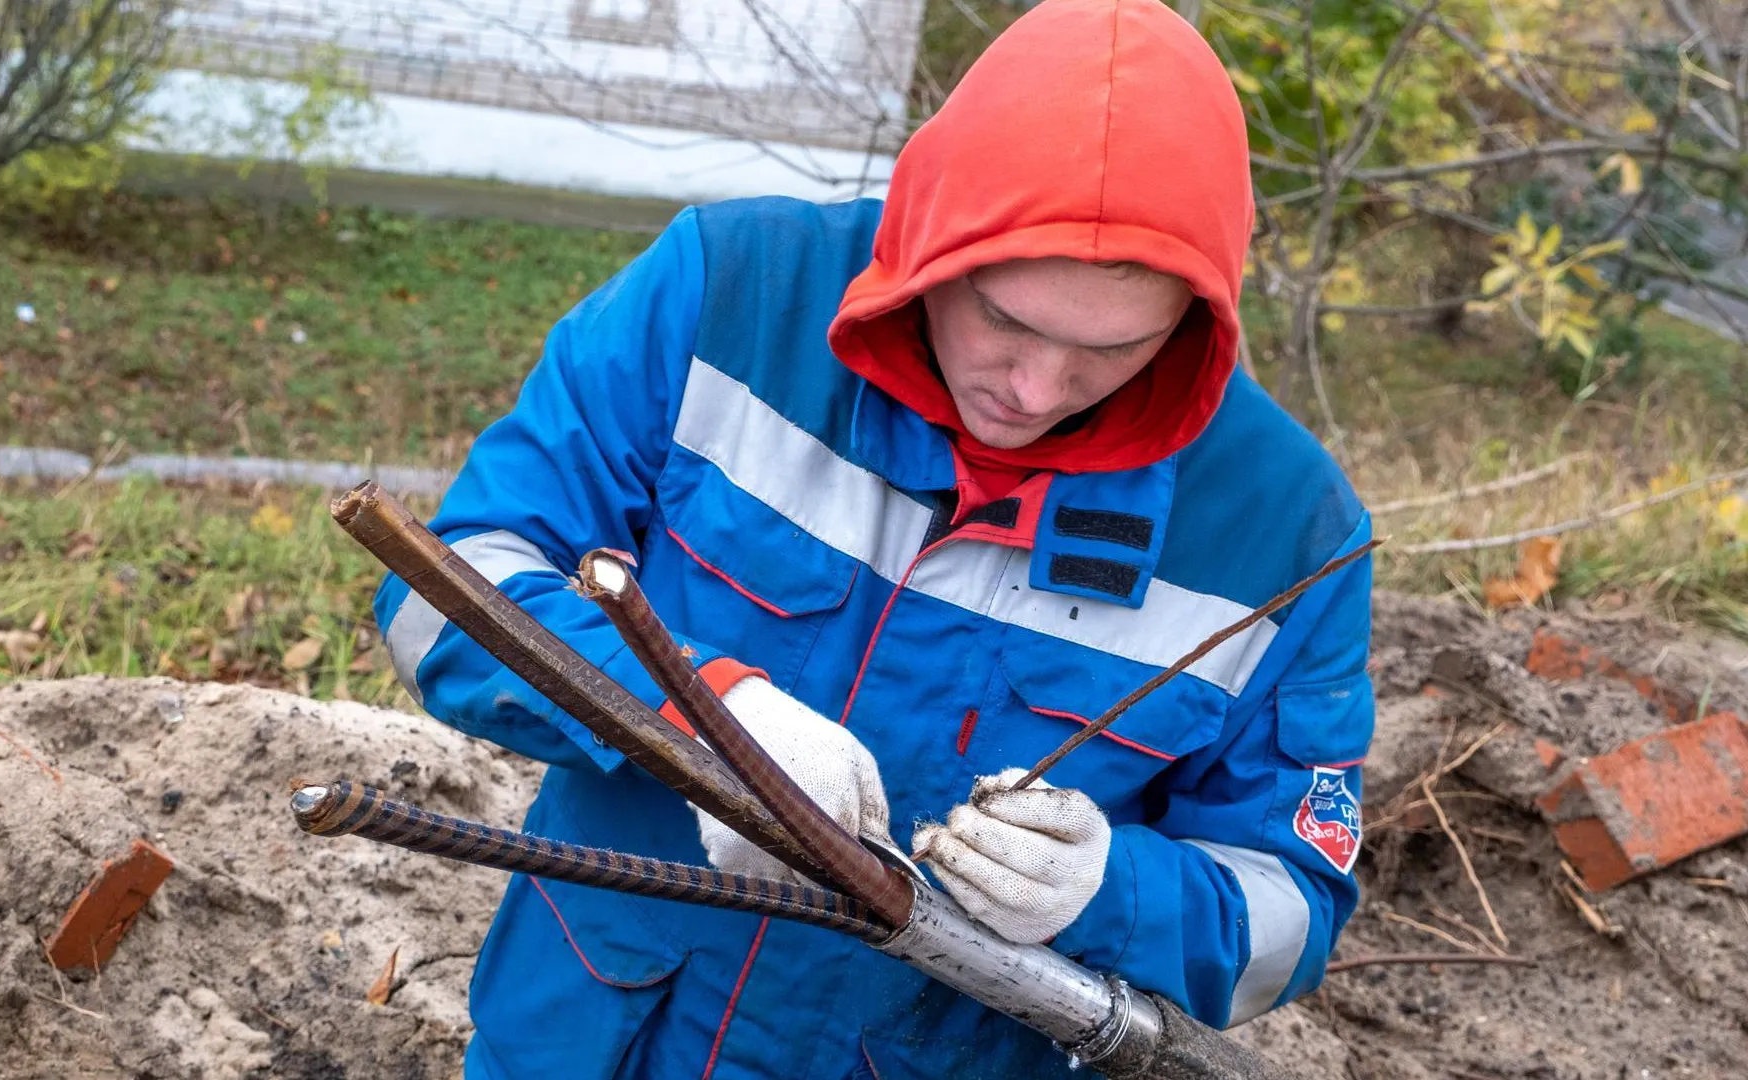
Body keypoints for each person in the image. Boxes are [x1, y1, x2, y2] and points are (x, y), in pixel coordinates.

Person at [374, 1, 1375, 1076]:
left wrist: (1109, 896)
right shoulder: (731, 298)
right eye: (1006, 320)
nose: (1036, 389)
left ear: (1197, 315)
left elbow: (1290, 905)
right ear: (934, 242)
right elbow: (449, 593)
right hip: (588, 1030)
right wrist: (700, 720)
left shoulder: (1287, 532)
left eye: (1113, 348)